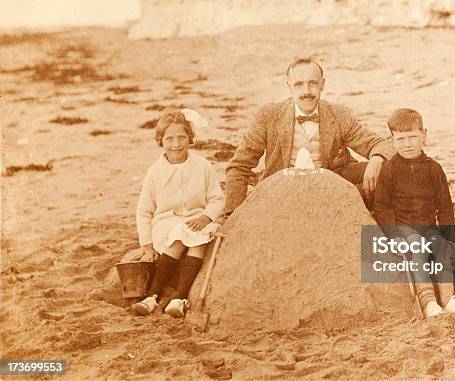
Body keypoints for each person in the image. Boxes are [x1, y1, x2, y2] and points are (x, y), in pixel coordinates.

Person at [224, 57, 395, 215]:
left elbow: (379, 144)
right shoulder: (269, 116)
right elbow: (239, 166)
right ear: (289, 86)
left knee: (388, 172)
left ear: (323, 85)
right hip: (283, 191)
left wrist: (377, 158)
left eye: (313, 83)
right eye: (298, 84)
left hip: (329, 187)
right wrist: (232, 215)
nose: (306, 91)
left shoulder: (338, 114)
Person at [373, 108, 455, 318]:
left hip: (428, 225)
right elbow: (382, 207)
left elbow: (444, 205)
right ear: (391, 140)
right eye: (400, 139)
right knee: (417, 247)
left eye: (413, 137)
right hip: (403, 225)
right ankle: (428, 302)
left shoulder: (434, 168)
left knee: (440, 247)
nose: (407, 144)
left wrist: (448, 234)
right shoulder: (389, 170)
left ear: (424, 135)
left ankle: (448, 298)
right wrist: (394, 236)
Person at [132, 109, 225, 318]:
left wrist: (206, 216)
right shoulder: (155, 172)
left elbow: (217, 198)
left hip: (197, 220)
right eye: (170, 139)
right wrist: (146, 245)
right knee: (180, 236)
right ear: (161, 141)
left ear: (190, 138)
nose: (176, 144)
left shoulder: (202, 166)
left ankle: (179, 299)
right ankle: (151, 296)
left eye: (182, 137)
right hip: (166, 224)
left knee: (200, 239)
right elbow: (144, 211)